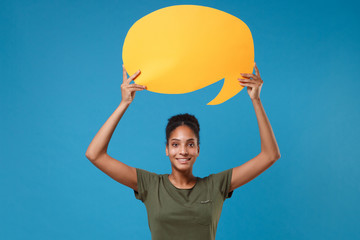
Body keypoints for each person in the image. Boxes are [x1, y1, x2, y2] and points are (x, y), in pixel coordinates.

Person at [85, 63, 280, 240]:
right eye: (175, 144)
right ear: (167, 150)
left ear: (198, 150)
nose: (183, 151)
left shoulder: (216, 186)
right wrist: (124, 104)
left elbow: (270, 155)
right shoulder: (151, 185)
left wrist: (256, 100)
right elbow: (95, 154)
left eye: (190, 144)